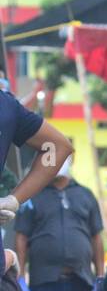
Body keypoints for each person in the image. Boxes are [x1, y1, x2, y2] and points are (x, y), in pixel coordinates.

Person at [14, 142, 105, 291]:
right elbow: (21, 237)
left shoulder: (86, 195)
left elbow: (96, 237)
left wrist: (100, 276)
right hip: (43, 282)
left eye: (61, 157)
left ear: (72, 158)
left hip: (80, 281)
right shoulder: (32, 195)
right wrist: (20, 277)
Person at [0, 88, 74, 250]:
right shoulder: (6, 105)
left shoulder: (6, 106)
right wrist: (14, 200)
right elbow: (57, 147)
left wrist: (13, 200)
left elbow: (58, 147)